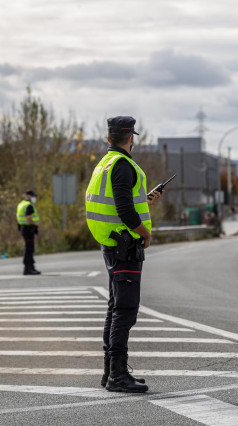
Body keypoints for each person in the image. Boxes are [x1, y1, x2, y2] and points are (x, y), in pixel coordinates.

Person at [85, 116, 162, 393]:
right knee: (125, 310)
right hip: (126, 245)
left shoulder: (104, 164)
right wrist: (145, 233)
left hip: (112, 243)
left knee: (115, 308)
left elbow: (124, 202)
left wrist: (145, 200)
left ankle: (110, 372)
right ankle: (117, 374)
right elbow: (125, 210)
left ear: (109, 138)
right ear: (131, 138)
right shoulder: (123, 166)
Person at [16, 190, 40, 275]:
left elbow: (18, 217)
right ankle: (27, 269)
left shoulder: (21, 204)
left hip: (23, 228)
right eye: (33, 196)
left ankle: (31, 267)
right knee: (29, 249)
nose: (34, 198)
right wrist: (35, 224)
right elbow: (28, 217)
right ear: (28, 196)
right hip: (28, 228)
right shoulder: (29, 206)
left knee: (29, 248)